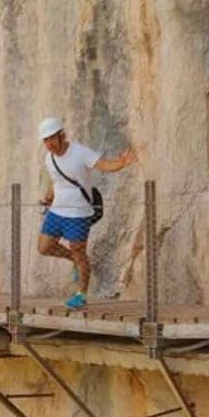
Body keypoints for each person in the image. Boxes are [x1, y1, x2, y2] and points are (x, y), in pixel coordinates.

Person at [37, 117, 137, 310]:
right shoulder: (49, 158)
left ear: (61, 135)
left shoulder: (79, 152)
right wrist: (48, 197)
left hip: (79, 211)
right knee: (44, 247)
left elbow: (104, 165)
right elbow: (56, 180)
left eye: (51, 138)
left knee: (78, 250)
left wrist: (122, 162)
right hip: (57, 210)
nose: (49, 144)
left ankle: (81, 294)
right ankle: (74, 261)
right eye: (45, 140)